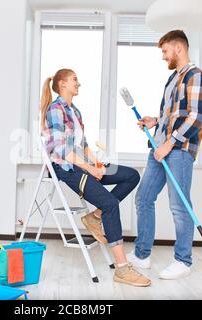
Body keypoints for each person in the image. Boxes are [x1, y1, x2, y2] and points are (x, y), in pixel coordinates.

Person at [41, 68, 151, 287]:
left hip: (82, 165)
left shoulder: (75, 111)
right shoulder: (55, 109)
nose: (78, 83)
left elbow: (83, 145)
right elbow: (60, 148)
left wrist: (96, 164)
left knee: (131, 176)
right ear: (62, 84)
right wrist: (89, 169)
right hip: (67, 168)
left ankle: (94, 217)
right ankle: (122, 269)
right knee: (111, 203)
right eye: (74, 80)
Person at [128, 30, 202, 280]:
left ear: (178, 48)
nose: (164, 57)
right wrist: (155, 121)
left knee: (178, 205)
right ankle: (142, 255)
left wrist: (171, 141)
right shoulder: (173, 79)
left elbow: (197, 117)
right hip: (160, 147)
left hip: (179, 151)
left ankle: (183, 261)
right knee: (143, 198)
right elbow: (173, 115)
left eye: (165, 51)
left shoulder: (196, 76)